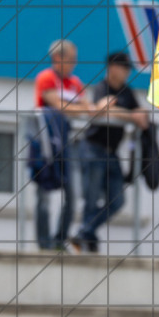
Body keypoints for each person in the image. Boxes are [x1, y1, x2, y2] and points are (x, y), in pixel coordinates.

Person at [70, 52, 149, 254]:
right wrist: (129, 115)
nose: (126, 73)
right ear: (113, 68)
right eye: (124, 68)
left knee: (118, 200)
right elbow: (104, 110)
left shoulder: (126, 92)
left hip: (112, 153)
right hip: (93, 149)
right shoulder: (101, 88)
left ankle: (86, 231)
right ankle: (88, 235)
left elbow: (141, 115)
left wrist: (127, 113)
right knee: (91, 197)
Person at [33, 39, 97, 251]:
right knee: (43, 194)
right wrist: (77, 108)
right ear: (57, 58)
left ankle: (59, 240)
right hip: (46, 143)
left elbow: (86, 107)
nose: (74, 64)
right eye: (71, 60)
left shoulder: (75, 83)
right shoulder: (46, 78)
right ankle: (44, 244)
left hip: (69, 144)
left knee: (72, 193)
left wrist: (76, 108)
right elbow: (57, 105)